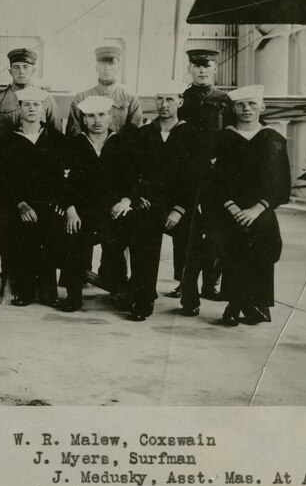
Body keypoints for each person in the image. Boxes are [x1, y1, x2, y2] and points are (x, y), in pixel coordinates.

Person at [210, 85, 290, 327]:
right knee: (234, 247)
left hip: (262, 209)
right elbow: (215, 180)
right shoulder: (223, 138)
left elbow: (282, 183)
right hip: (230, 208)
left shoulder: (273, 139)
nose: (246, 109)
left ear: (262, 107)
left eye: (252, 104)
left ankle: (259, 302)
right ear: (234, 108)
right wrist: (233, 207)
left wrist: (257, 209)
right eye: (241, 105)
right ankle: (236, 304)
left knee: (266, 247)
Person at [66, 45, 142, 294]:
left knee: (117, 238)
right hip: (88, 173)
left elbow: (134, 137)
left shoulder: (130, 99)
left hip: (115, 172)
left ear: (119, 66)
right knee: (79, 236)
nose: (108, 68)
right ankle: (77, 281)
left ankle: (113, 280)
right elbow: (75, 137)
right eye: (103, 64)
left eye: (113, 63)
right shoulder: (81, 98)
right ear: (96, 66)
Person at [0, 47, 61, 294]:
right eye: (16, 67)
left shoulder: (46, 99)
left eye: (26, 67)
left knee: (43, 233)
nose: (21, 71)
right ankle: (11, 276)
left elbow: (54, 137)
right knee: (9, 232)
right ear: (10, 70)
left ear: (33, 70)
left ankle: (42, 283)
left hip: (41, 180)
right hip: (9, 176)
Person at [126, 83, 200, 321]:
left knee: (191, 242)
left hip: (181, 205)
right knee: (142, 243)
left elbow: (196, 178)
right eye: (159, 99)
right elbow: (132, 171)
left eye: (169, 99)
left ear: (180, 101)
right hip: (149, 203)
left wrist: (179, 209)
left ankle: (190, 295)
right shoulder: (144, 133)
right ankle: (143, 298)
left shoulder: (192, 134)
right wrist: (138, 197)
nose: (163, 104)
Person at [164, 48, 232, 303]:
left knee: (216, 230)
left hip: (216, 176)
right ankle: (183, 283)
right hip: (187, 175)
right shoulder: (181, 99)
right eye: (197, 66)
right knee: (184, 232)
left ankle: (211, 284)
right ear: (189, 69)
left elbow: (232, 135)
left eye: (207, 66)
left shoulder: (225, 100)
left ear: (215, 68)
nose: (202, 70)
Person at [58, 94, 137, 312]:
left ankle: (120, 290)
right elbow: (65, 182)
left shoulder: (121, 144)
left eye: (101, 114)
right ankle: (73, 296)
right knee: (75, 244)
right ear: (83, 120)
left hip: (112, 210)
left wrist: (125, 200)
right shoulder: (74, 145)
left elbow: (131, 178)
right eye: (90, 116)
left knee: (116, 246)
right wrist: (71, 210)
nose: (97, 120)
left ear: (110, 117)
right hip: (82, 211)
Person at [0, 86, 69, 307]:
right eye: (26, 104)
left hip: (48, 204)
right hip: (20, 206)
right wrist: (20, 204)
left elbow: (65, 176)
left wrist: (59, 202)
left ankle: (47, 290)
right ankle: (24, 290)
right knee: (21, 244)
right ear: (19, 108)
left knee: (48, 243)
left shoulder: (56, 139)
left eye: (36, 104)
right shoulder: (8, 141)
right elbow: (1, 179)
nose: (31, 109)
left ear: (44, 109)